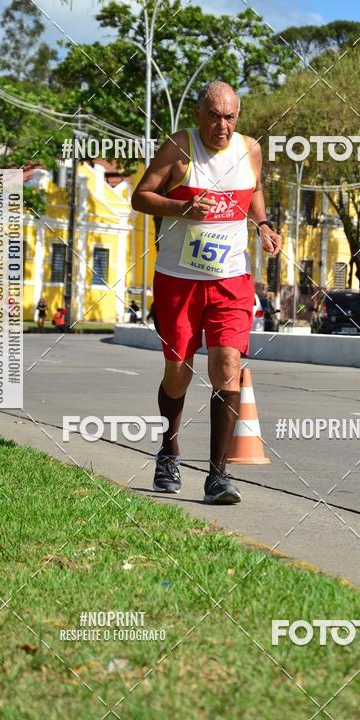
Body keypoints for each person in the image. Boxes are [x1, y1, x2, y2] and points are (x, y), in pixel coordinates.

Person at [131, 79, 282, 504]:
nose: (223, 125)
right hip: (177, 279)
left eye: (230, 117)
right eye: (214, 116)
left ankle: (218, 475)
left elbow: (254, 190)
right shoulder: (179, 148)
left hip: (231, 278)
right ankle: (169, 450)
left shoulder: (249, 149)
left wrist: (264, 224)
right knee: (178, 373)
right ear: (198, 115)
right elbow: (140, 197)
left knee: (226, 365)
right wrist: (180, 207)